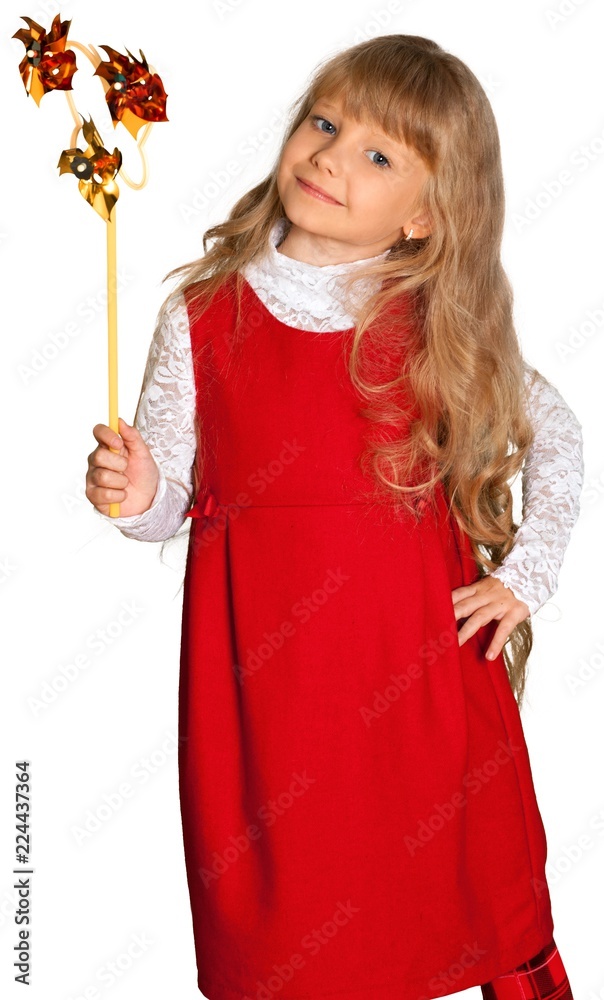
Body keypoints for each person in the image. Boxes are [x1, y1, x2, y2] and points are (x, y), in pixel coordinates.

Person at [85, 34, 582, 1000]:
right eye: (324, 122)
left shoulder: (437, 320)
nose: (329, 154)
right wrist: (139, 494)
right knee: (290, 931)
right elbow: (171, 501)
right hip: (269, 707)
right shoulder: (201, 313)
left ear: (426, 219)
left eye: (378, 154)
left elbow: (553, 431)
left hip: (423, 687)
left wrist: (527, 574)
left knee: (471, 891)